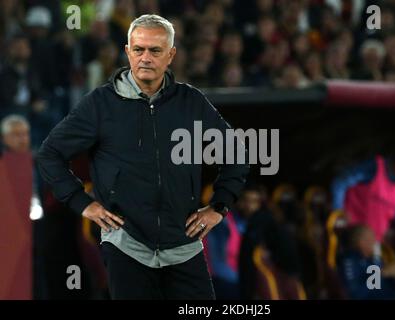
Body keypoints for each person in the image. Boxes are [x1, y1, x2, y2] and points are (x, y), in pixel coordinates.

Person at [37, 14, 249, 300]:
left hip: (184, 245)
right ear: (128, 52)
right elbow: (50, 154)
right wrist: (82, 203)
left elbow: (236, 151)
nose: (145, 58)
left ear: (171, 55)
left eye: (155, 50)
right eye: (139, 50)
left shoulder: (191, 102)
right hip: (126, 245)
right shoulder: (101, 104)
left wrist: (220, 206)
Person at [331, 148, 395, 262]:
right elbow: (340, 182)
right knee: (351, 278)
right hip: (351, 244)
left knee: (375, 279)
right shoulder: (373, 168)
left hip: (374, 247)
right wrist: (339, 213)